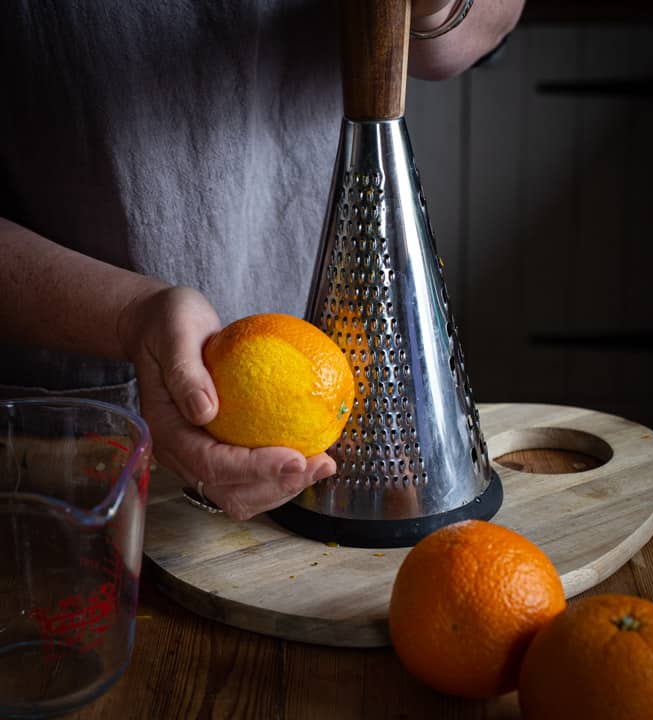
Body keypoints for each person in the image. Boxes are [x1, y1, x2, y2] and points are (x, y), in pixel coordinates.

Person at [0, 0, 524, 520]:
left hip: (334, 402)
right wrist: (127, 315)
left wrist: (440, 7)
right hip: (60, 440)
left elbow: (472, 32)